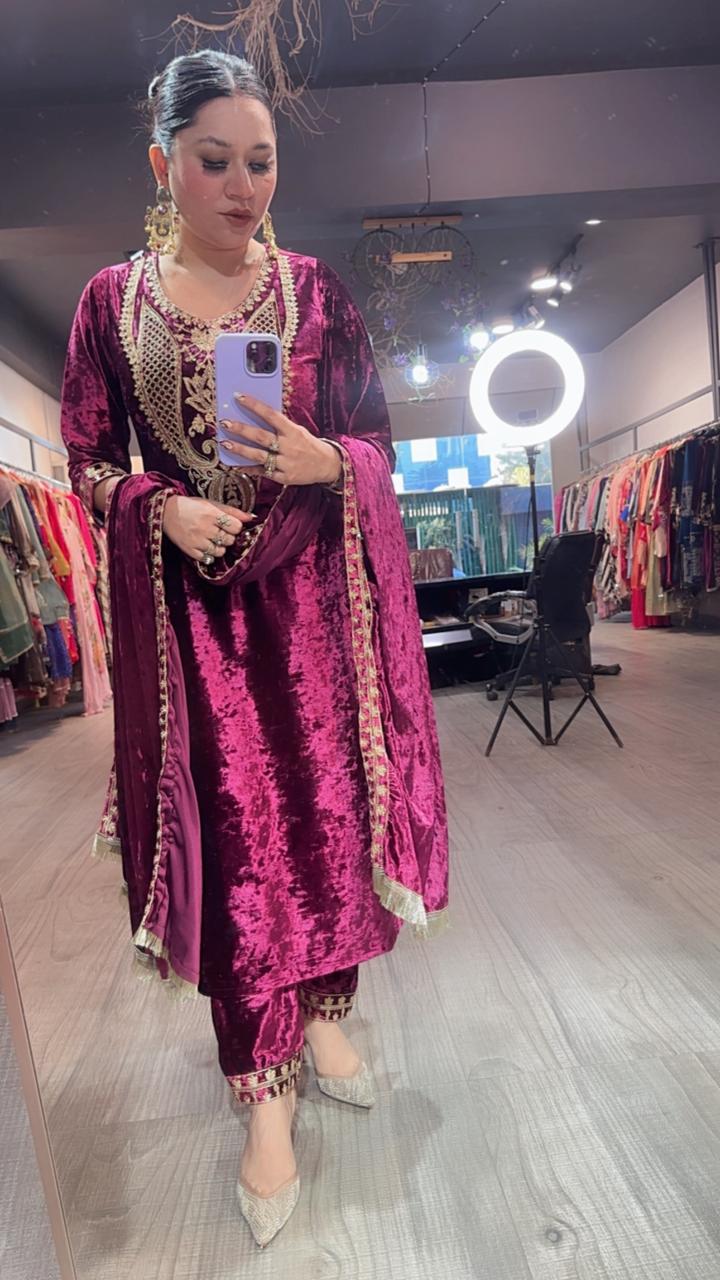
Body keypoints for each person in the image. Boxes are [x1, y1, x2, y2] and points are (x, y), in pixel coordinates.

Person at [60, 49, 449, 1249]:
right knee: (234, 850)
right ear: (163, 162)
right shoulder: (111, 304)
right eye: (215, 161)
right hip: (195, 630)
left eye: (262, 162)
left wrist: (332, 462)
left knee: (325, 825)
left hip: (315, 615)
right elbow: (88, 459)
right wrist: (158, 506)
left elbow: (375, 441)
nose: (242, 187)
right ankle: (261, 1088)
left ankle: (326, 1010)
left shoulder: (317, 293)